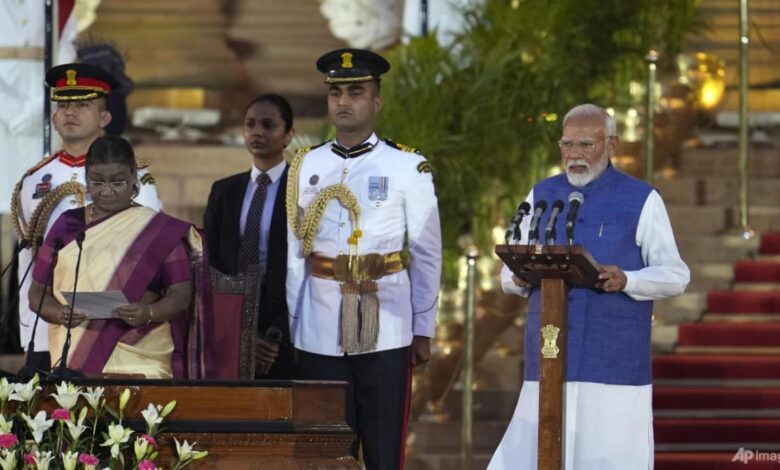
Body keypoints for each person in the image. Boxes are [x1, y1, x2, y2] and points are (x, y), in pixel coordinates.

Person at [488, 104, 690, 469]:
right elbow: (507, 270)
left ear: (611, 145)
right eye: (567, 144)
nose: (574, 155)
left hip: (613, 360)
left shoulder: (641, 199)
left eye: (585, 144)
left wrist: (629, 279)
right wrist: (516, 279)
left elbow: (676, 274)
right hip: (550, 356)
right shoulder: (541, 195)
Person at [286, 48, 442, 469]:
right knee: (323, 446)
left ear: (376, 101)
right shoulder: (305, 164)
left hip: (386, 321)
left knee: (382, 443)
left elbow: (427, 254)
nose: (344, 101)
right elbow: (294, 254)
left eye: (356, 92)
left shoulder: (407, 165)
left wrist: (423, 327)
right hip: (319, 323)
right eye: (336, 92)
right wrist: (294, 324)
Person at [11, 63, 161, 375]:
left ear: (105, 117)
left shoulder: (134, 177)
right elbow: (29, 258)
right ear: (53, 117)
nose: (70, 112)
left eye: (83, 105)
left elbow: (145, 254)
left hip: (106, 329)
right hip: (43, 327)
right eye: (63, 105)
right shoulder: (34, 179)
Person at [28, 135, 215, 379]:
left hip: (142, 351)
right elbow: (37, 293)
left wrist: (148, 313)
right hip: (75, 349)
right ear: (87, 178)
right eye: (98, 182)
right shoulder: (67, 225)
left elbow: (181, 294)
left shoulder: (157, 230)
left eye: (117, 183)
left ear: (133, 179)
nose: (106, 191)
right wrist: (59, 313)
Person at [204, 93, 296, 379]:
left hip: (286, 326)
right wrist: (237, 330)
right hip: (231, 318)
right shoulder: (224, 191)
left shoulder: (302, 191)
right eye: (250, 124)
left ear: (288, 135)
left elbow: (307, 268)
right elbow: (210, 262)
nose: (257, 132)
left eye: (268, 125)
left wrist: (274, 335)